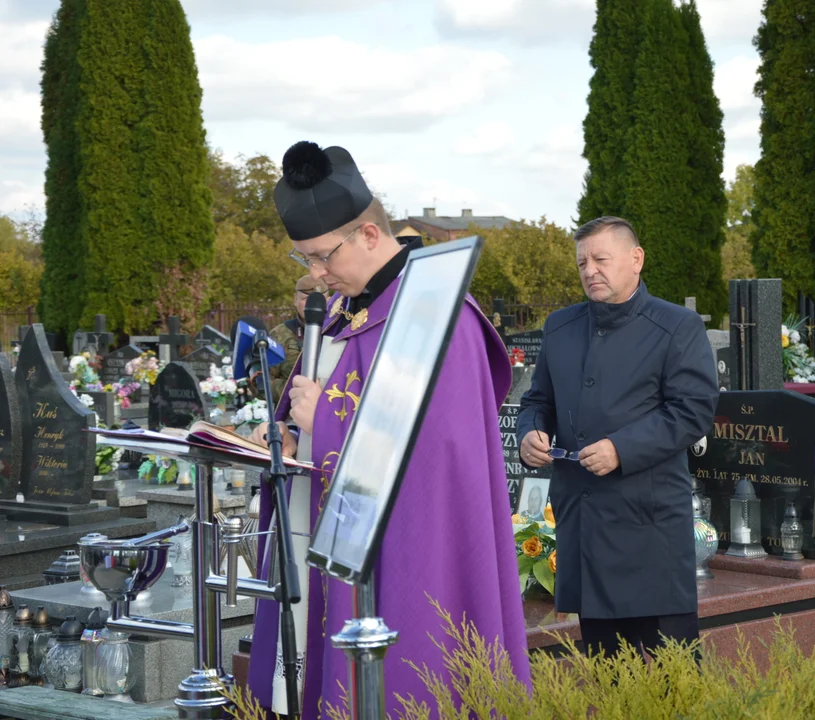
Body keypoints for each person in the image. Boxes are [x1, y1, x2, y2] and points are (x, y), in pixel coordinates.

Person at [248, 140, 529, 718]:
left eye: (323, 256)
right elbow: (319, 402)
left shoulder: (435, 312)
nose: (316, 273)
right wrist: (293, 438)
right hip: (337, 537)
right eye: (304, 260)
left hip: (416, 555)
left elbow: (438, 451)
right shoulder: (343, 309)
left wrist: (321, 420)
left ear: (370, 236)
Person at [516, 216, 717, 660]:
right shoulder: (561, 327)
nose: (590, 270)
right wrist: (529, 432)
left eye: (601, 259)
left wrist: (620, 448)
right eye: (582, 262)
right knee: (607, 676)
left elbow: (692, 411)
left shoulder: (677, 327)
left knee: (673, 678)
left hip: (648, 531)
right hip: (584, 524)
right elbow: (538, 400)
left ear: (636, 259)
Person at [268, 275, 328, 402]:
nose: (311, 305)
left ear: (328, 301)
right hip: (290, 414)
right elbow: (263, 380)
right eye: (306, 299)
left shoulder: (339, 332)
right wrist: (293, 391)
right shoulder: (280, 334)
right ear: (295, 300)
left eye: (319, 300)